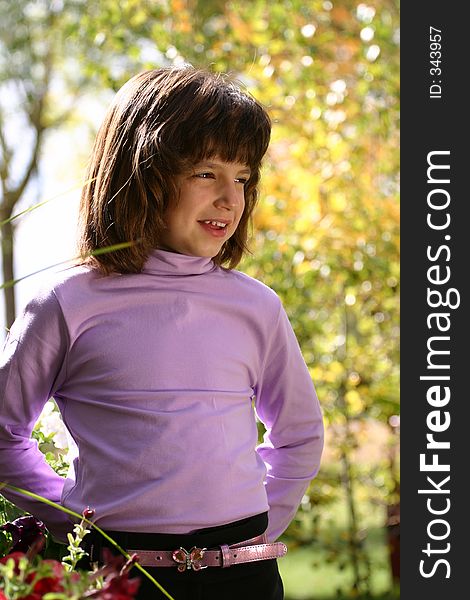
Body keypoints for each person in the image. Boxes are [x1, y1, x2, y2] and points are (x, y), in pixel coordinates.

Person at [0, 66, 324, 599]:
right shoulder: (64, 304)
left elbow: (300, 434)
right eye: (206, 173)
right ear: (144, 174)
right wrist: (64, 519)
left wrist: (263, 520)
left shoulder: (256, 306)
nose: (230, 198)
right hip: (114, 579)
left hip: (243, 576)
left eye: (242, 178)